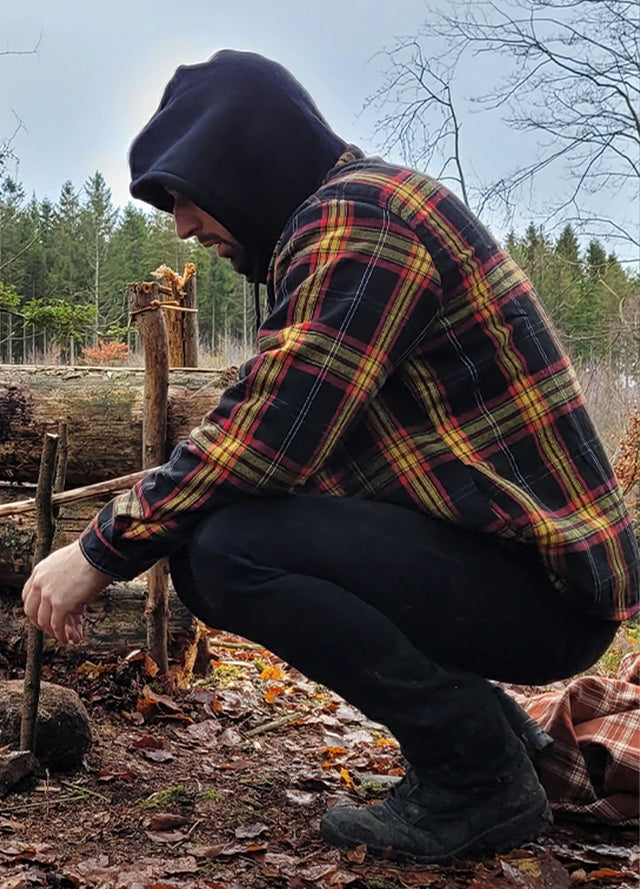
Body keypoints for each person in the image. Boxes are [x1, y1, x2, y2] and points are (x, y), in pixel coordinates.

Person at [22, 50, 639, 863]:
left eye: (184, 195)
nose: (180, 226)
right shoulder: (344, 224)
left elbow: (272, 434)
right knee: (217, 543)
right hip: (511, 569)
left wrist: (99, 547)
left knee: (230, 551)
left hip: (548, 591)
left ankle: (474, 775)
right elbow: (265, 409)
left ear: (243, 163)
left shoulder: (365, 221)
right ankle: (500, 744)